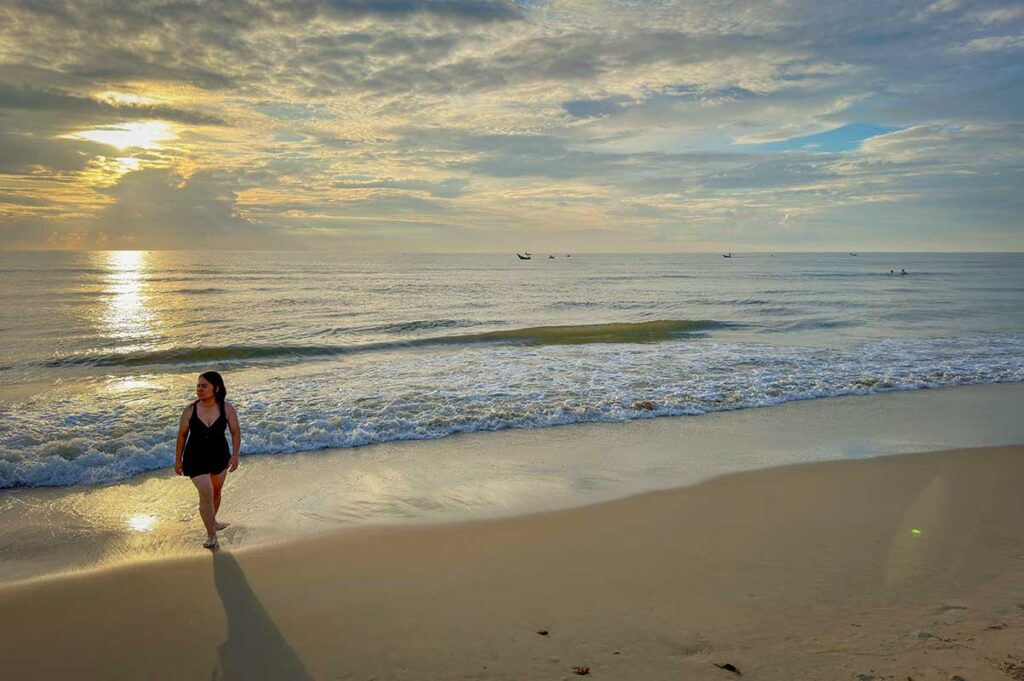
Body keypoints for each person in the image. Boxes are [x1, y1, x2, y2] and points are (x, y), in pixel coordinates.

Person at [175, 371, 240, 549]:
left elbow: (235, 432)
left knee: (216, 492)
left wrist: (235, 455)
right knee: (206, 493)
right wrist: (178, 460)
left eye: (204, 386)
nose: (200, 389)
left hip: (219, 455)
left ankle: (213, 522)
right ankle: (211, 534)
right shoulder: (190, 410)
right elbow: (181, 435)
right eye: (198, 386)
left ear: (216, 388)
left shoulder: (227, 408)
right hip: (194, 457)